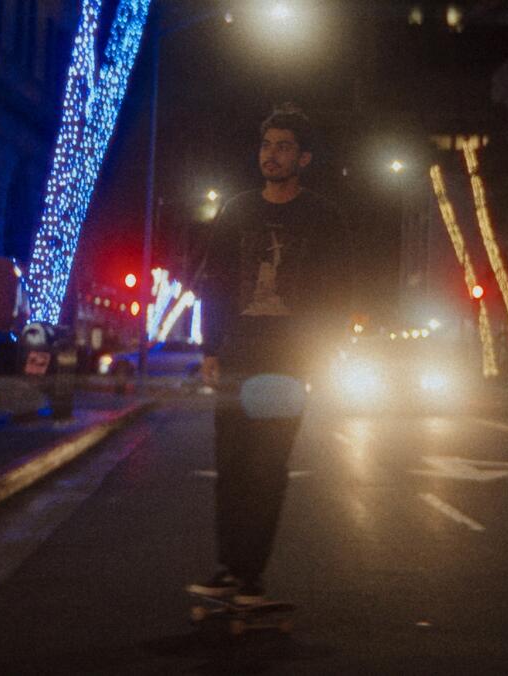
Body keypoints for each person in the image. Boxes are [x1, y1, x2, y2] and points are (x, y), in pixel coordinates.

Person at [187, 104, 351, 605]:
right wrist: (210, 349)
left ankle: (251, 575)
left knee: (267, 467)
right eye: (266, 145)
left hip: (288, 361)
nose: (271, 155)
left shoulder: (323, 217)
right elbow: (211, 285)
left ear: (303, 158)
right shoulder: (237, 210)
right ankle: (228, 568)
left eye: (283, 147)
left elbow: (335, 293)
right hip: (237, 357)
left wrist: (320, 357)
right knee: (231, 466)